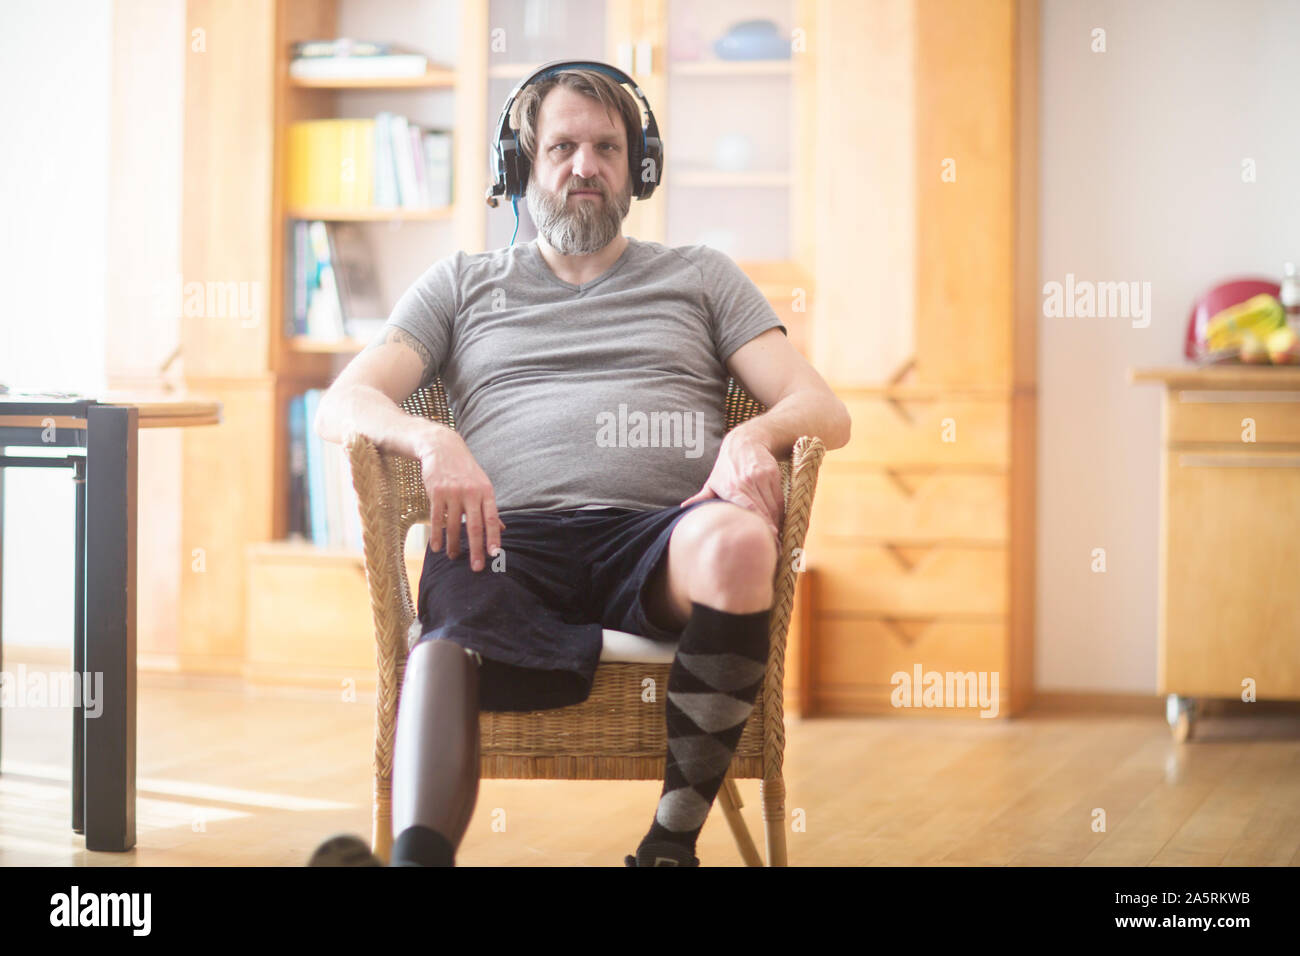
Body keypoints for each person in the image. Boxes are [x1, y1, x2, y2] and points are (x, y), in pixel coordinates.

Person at [308, 66, 850, 867]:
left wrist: (749, 437)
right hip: (506, 537)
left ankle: (669, 846)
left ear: (639, 169)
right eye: (561, 146)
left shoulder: (700, 276)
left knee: (740, 546)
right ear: (523, 165)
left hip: (659, 540)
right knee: (444, 629)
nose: (584, 165)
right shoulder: (461, 283)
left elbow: (824, 410)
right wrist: (436, 443)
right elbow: (341, 403)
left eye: (607, 147)